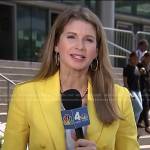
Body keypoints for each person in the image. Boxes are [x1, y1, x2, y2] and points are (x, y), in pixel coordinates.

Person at [2, 6, 139, 150]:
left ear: (97, 51)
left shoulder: (120, 98)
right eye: (71, 37)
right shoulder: (25, 94)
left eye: (89, 40)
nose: (80, 46)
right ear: (56, 45)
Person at [123, 52, 143, 123]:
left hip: (138, 90)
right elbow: (125, 82)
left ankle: (134, 128)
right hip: (131, 91)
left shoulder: (137, 67)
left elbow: (137, 79)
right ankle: (131, 124)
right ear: (130, 58)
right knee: (139, 108)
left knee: (139, 110)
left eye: (137, 58)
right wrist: (129, 92)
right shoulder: (126, 68)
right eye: (134, 58)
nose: (136, 60)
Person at [137, 52, 150, 134]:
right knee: (145, 105)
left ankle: (139, 121)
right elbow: (139, 73)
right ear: (144, 57)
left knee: (147, 107)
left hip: (147, 88)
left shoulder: (147, 66)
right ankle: (147, 126)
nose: (149, 60)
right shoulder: (139, 65)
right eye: (148, 58)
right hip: (141, 88)